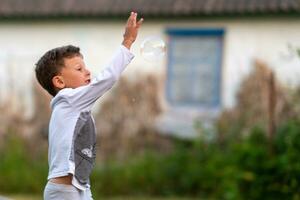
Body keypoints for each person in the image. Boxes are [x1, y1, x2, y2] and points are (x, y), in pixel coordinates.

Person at [35, 12, 143, 200]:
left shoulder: (72, 105)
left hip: (80, 188)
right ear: (59, 82)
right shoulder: (69, 99)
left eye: (85, 67)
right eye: (79, 69)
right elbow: (107, 79)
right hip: (64, 193)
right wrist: (127, 41)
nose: (87, 71)